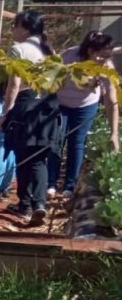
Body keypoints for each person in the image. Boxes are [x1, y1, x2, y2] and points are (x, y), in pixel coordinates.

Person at [0, 10, 56, 227]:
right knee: (39, 158)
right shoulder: (49, 52)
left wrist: (5, 115)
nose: (13, 30)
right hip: (48, 107)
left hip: (26, 105)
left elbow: (14, 85)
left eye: (16, 26)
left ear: (26, 28)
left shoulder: (18, 50)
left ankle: (25, 204)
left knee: (23, 155)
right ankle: (38, 204)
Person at [48, 30, 120, 199]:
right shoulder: (69, 56)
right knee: (56, 141)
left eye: (108, 57)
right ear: (90, 51)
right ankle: (50, 184)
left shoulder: (107, 68)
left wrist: (114, 133)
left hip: (85, 106)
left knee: (77, 143)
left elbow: (111, 101)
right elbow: (51, 75)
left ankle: (69, 187)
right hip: (61, 103)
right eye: (101, 56)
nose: (104, 60)